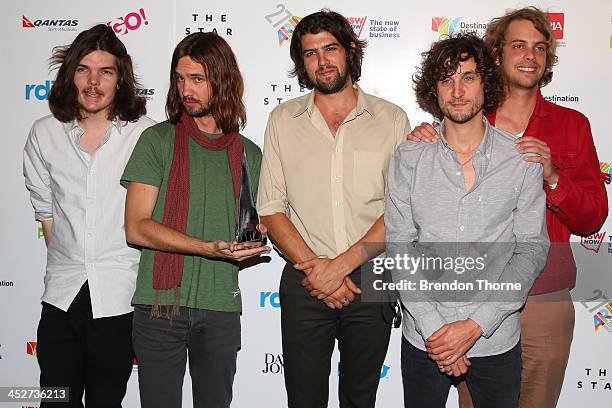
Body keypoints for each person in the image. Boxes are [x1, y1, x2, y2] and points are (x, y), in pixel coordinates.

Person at [409, 8, 608, 407]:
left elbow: (592, 219)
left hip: (543, 297)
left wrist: (553, 177)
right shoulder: (464, 116)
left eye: (539, 48)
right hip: (469, 293)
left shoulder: (572, 125)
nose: (530, 56)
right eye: (518, 46)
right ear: (496, 55)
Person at [386, 33, 550, 407]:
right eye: (446, 79)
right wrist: (437, 331)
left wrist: (475, 324)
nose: (457, 90)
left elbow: (530, 249)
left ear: (486, 84)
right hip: (424, 339)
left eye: (468, 77)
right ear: (434, 90)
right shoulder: (410, 158)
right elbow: (399, 246)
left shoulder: (520, 160)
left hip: (495, 338)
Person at [257, 10, 410, 408]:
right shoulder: (282, 120)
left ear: (350, 51)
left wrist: (338, 268)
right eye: (310, 54)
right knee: (303, 400)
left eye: (330, 49)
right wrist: (318, 270)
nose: (322, 61)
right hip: (304, 279)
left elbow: (400, 211)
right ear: (301, 63)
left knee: (361, 399)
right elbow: (272, 210)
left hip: (372, 276)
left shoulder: (392, 120)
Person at [121, 32, 269, 408]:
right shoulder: (157, 140)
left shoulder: (249, 154)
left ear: (222, 80)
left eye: (197, 79)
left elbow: (259, 225)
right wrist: (208, 248)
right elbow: (136, 227)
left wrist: (254, 238)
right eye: (180, 78)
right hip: (159, 306)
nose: (186, 89)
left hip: (220, 306)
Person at [23, 24, 153, 408]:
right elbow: (45, 213)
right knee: (55, 401)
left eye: (105, 72)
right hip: (61, 299)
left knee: (105, 402)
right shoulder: (43, 133)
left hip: (119, 298)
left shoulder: (144, 135)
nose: (93, 82)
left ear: (120, 79)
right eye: (83, 69)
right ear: (70, 75)